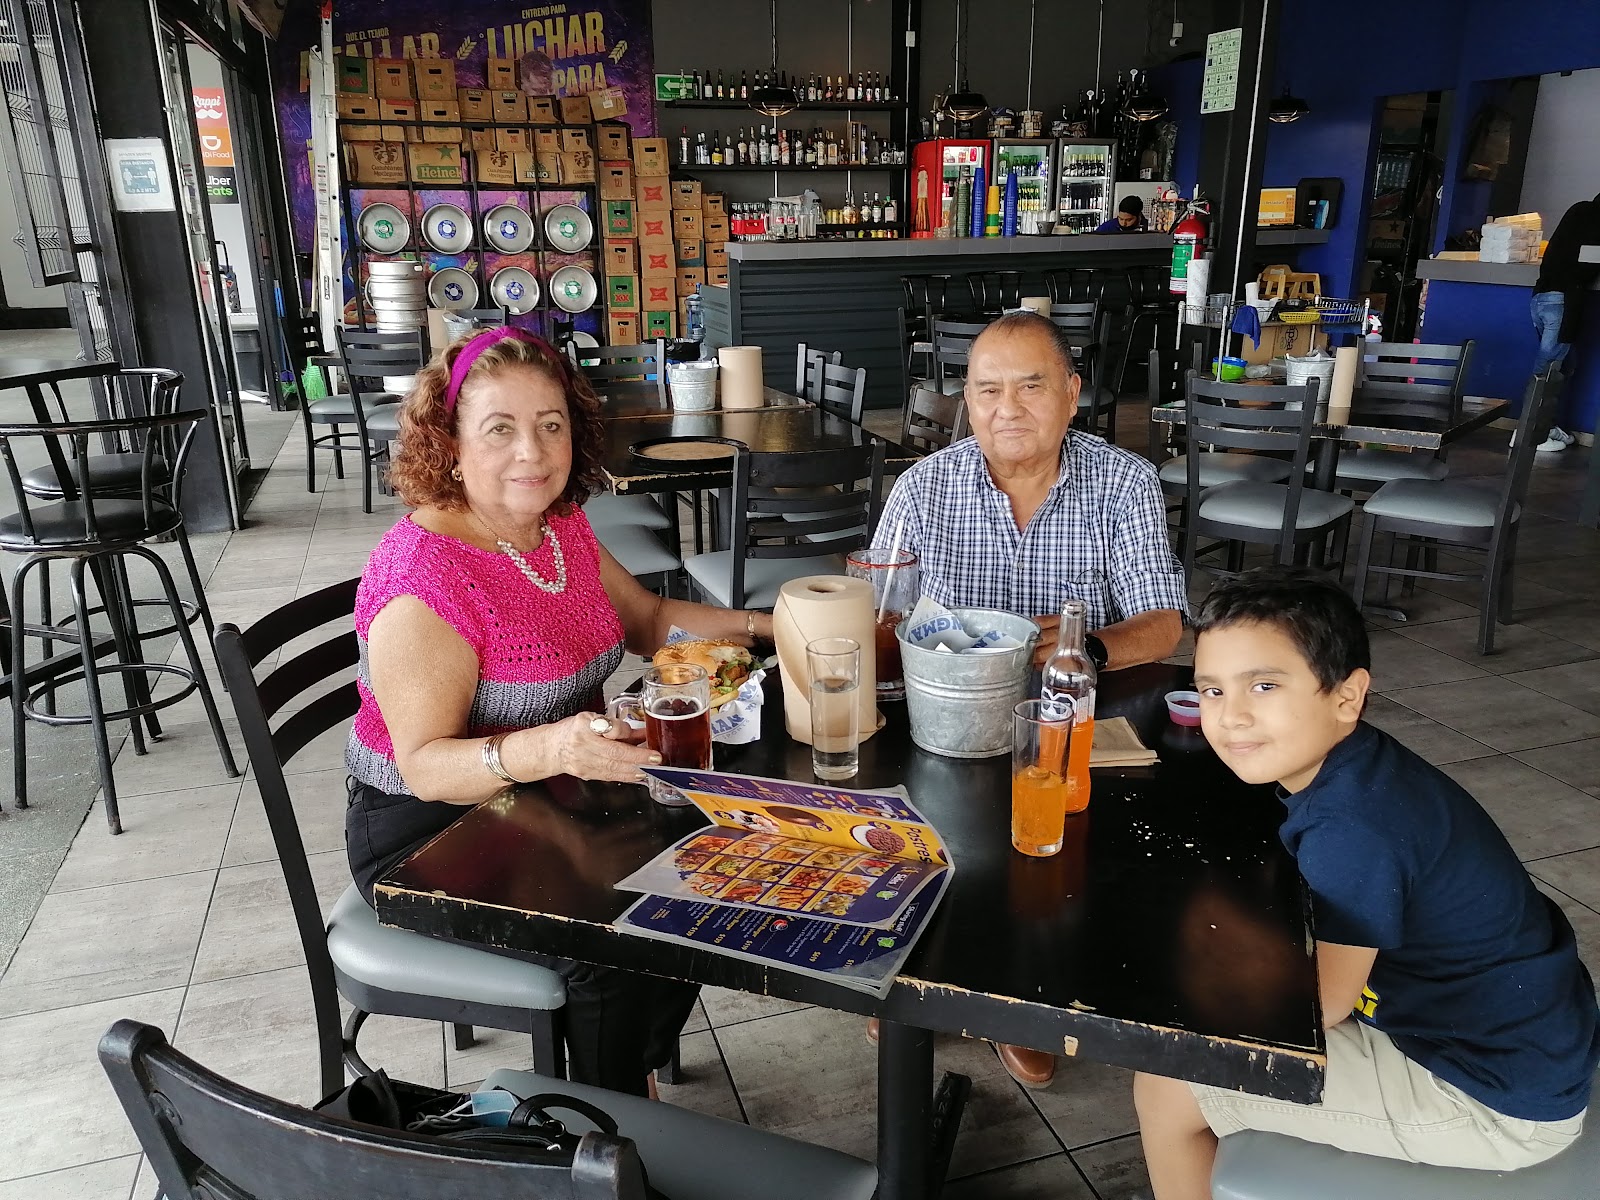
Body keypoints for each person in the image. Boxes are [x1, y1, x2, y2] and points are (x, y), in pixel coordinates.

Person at [346, 326, 775, 1096]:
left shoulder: (558, 523)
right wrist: (552, 749)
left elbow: (648, 619)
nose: (533, 453)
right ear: (449, 443)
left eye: (551, 425)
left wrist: (772, 626)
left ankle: (637, 1059)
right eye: (499, 429)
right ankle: (612, 1129)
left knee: (703, 853)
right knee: (608, 939)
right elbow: (425, 766)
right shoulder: (424, 578)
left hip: (552, 793)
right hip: (427, 832)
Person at [1135, 566, 1599, 1199]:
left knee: (1167, 1082)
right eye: (1211, 690)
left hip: (1493, 1096)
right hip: (1518, 1035)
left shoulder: (1353, 828)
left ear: (1347, 696)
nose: (1231, 716)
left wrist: (1185, 963)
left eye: (1264, 685)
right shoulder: (1353, 768)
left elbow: (1312, 1011)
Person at [871, 310, 1188, 1087]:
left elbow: (1164, 624)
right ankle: (916, 986)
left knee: (1054, 859)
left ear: (1072, 394)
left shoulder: (1124, 483)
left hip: (1066, 723)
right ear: (966, 401)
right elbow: (879, 613)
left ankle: (1024, 1001)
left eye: (1030, 386)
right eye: (987, 390)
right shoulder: (924, 487)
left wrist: (1086, 647)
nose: (1006, 408)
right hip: (946, 721)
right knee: (925, 842)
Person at [1529, 191, 1600, 451]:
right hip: (1560, 302)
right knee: (1549, 370)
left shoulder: (1579, 211)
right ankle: (1533, 433)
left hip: (1540, 298)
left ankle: (1548, 427)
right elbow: (1588, 261)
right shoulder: (1595, 220)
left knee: (1563, 364)